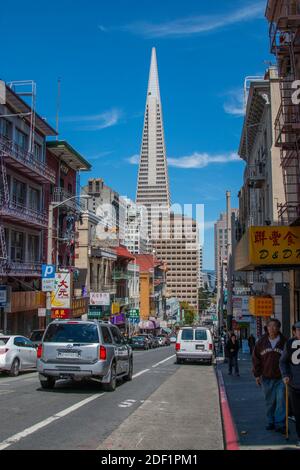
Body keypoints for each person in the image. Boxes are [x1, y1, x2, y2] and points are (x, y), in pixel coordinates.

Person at [252, 318, 287, 433]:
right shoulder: (261, 342)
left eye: (275, 326)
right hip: (266, 377)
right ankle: (270, 421)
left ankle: (280, 423)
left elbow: (288, 359)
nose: (272, 328)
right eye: (270, 326)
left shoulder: (284, 342)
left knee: (281, 400)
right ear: (266, 328)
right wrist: (257, 375)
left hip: (281, 377)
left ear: (278, 328)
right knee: (270, 401)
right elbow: (256, 359)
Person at [280, 321, 300, 447]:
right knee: (298, 413)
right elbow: (282, 362)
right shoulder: (289, 344)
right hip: (294, 385)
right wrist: (285, 375)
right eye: (298, 330)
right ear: (294, 331)